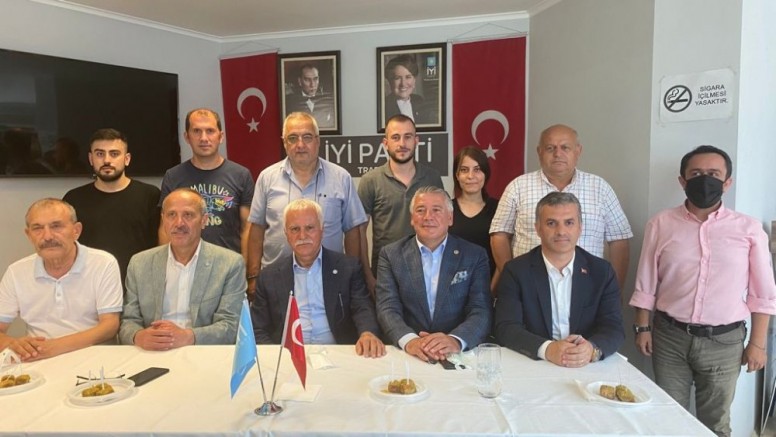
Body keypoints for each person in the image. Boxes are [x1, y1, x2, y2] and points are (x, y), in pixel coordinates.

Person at [629, 145, 776, 436]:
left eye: (713, 174)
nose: (704, 180)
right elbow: (646, 281)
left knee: (715, 423)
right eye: (696, 174)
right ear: (682, 180)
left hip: (724, 343)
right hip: (669, 338)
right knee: (668, 418)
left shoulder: (748, 229)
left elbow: (763, 294)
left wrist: (758, 345)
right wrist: (642, 328)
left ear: (727, 182)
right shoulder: (660, 224)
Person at [490, 124, 632, 289]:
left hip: (588, 288)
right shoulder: (517, 187)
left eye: (565, 147)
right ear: (539, 152)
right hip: (529, 286)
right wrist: (512, 279)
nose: (558, 154)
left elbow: (619, 240)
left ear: (578, 151)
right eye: (550, 148)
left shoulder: (600, 188)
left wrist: (613, 290)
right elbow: (499, 235)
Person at [494, 192, 624, 367]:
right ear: (538, 228)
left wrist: (591, 349)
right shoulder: (516, 271)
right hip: (534, 364)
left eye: (569, 223)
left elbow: (613, 327)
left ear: (580, 227)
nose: (561, 231)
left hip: (586, 365)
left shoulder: (601, 272)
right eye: (551, 223)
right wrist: (547, 349)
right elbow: (506, 327)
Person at [246, 112, 366, 299]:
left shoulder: (341, 177)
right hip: (277, 280)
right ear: (284, 143)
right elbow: (257, 229)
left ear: (318, 141)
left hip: (330, 279)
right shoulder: (267, 178)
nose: (300, 144)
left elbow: (352, 231)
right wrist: (253, 277)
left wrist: (352, 277)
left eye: (307, 137)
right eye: (293, 138)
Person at [250, 199, 384, 357]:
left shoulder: (348, 268)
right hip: (289, 357)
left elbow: (362, 308)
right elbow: (258, 328)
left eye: (309, 228)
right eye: (295, 229)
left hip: (338, 354)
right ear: (286, 233)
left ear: (322, 230)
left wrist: (367, 333)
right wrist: (278, 357)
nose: (302, 236)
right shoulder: (269, 276)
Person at [375, 186, 492, 362]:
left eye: (436, 210)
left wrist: (456, 340)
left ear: (450, 218)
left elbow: (481, 309)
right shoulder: (391, 255)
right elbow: (387, 307)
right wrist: (410, 341)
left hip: (457, 355)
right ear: (412, 218)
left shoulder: (474, 255)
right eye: (420, 210)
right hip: (409, 354)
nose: (428, 217)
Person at [119, 189, 245, 350]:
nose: (179, 223)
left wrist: (188, 336)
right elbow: (128, 321)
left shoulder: (230, 264)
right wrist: (138, 336)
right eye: (171, 215)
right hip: (152, 352)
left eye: (188, 215)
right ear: (163, 220)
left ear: (204, 220)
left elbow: (231, 326)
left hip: (203, 352)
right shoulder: (139, 263)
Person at [0, 199, 122, 361]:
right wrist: (12, 344)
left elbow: (109, 326)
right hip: (38, 359)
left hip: (94, 356)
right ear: (29, 235)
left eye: (56, 226)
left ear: (76, 231)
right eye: (37, 228)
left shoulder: (103, 263)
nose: (47, 236)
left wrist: (53, 347)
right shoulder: (16, 272)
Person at [358, 115, 443, 293]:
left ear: (416, 140)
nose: (402, 143)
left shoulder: (432, 177)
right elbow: (359, 232)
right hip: (385, 275)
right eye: (395, 137)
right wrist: (367, 276)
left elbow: (441, 225)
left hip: (428, 273)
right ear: (385, 143)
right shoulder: (370, 181)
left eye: (408, 137)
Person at [63, 128, 160, 284]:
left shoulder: (150, 196)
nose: (107, 160)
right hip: (89, 285)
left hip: (138, 286)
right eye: (100, 154)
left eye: (114, 154)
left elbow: (160, 247)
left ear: (127, 159)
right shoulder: (73, 198)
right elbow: (66, 247)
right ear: (91, 159)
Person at [159, 108, 254, 259]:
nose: (203, 138)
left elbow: (247, 228)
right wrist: (166, 265)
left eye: (210, 131)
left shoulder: (241, 175)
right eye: (196, 131)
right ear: (187, 137)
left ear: (220, 136)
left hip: (228, 265)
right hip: (184, 264)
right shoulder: (173, 176)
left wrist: (245, 268)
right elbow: (165, 228)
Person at [448, 146, 498, 283]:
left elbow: (503, 259)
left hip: (490, 286)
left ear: (485, 174)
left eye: (477, 169)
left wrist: (491, 291)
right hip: (452, 288)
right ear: (457, 175)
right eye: (464, 170)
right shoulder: (446, 209)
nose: (471, 176)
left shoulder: (500, 208)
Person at [383, 54, 435, 125]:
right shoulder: (384, 107)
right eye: (397, 78)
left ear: (414, 80)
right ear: (389, 81)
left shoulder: (419, 101)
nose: (403, 84)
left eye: (408, 77)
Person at [285, 63, 335, 129]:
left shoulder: (328, 100)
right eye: (307, 80)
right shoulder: (289, 103)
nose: (312, 85)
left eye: (315, 79)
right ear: (300, 81)